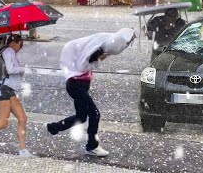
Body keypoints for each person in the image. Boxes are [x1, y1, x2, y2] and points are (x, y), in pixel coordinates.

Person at [46, 28, 136, 157]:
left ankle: (53, 128)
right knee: (95, 114)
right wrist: (102, 54)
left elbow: (94, 58)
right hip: (76, 86)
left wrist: (103, 54)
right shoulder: (87, 58)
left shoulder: (90, 54)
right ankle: (92, 146)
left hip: (79, 85)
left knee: (81, 117)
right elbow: (90, 60)